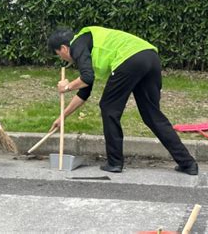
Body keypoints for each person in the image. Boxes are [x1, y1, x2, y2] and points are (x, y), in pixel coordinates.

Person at [47, 26, 198, 175]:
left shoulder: (77, 46)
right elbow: (85, 91)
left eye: (59, 54)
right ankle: (188, 163)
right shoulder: (86, 43)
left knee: (109, 108)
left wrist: (66, 87)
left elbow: (87, 78)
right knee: (152, 115)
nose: (62, 59)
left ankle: (114, 162)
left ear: (64, 48)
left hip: (128, 60)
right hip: (150, 56)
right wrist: (63, 116)